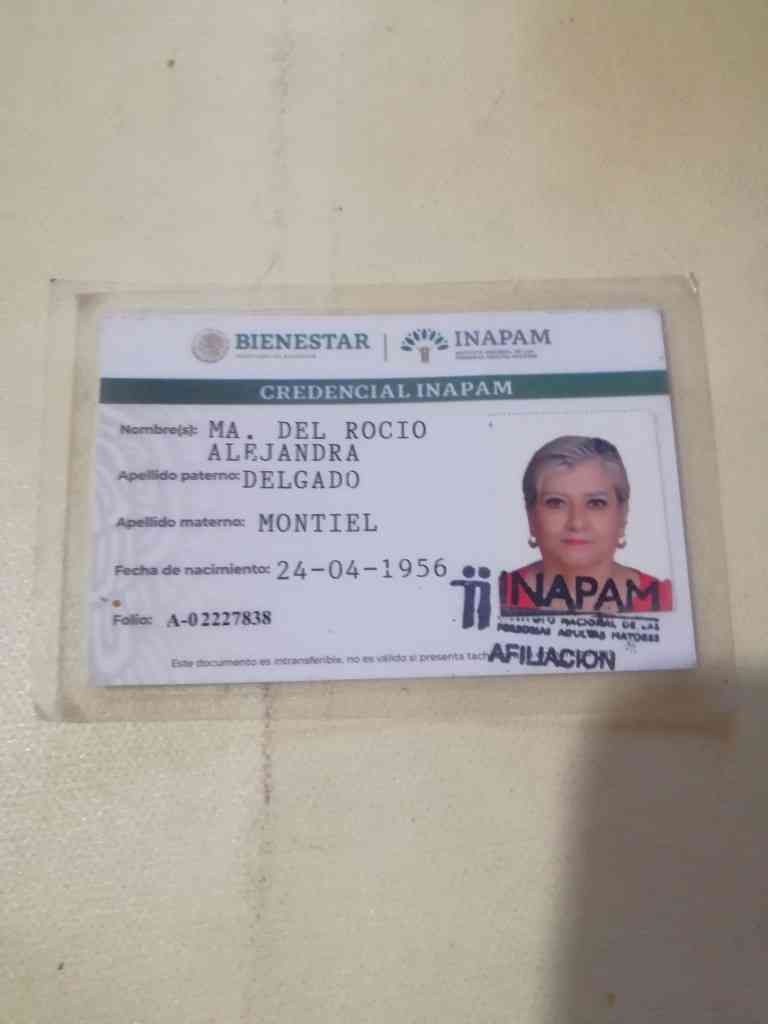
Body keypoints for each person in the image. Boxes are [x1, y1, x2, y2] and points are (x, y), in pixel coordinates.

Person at [500, 436, 672, 613]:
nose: (577, 523)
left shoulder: (666, 600)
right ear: (531, 515)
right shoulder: (494, 595)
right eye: (556, 503)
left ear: (622, 514)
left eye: (596, 503)